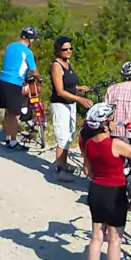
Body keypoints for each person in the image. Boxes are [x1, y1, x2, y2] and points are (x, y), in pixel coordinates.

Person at [80, 102, 131, 260]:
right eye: (111, 120)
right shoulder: (115, 144)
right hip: (114, 193)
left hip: (96, 191)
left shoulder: (89, 144)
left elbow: (87, 171)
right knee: (115, 239)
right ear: (104, 125)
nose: (114, 122)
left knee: (96, 236)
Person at [49, 35, 92, 177]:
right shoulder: (56, 66)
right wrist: (79, 99)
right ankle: (59, 168)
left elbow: (67, 84)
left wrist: (78, 88)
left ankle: (63, 162)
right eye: (64, 49)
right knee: (62, 135)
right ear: (58, 50)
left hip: (70, 104)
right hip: (60, 105)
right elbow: (60, 91)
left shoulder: (67, 63)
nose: (68, 51)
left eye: (70, 48)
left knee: (69, 135)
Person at [0, 26, 39, 151]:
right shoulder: (27, 52)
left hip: (2, 79)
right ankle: (13, 142)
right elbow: (34, 70)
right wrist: (40, 78)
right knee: (15, 114)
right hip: (14, 82)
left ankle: (7, 136)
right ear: (30, 40)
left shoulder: (10, 46)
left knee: (8, 111)